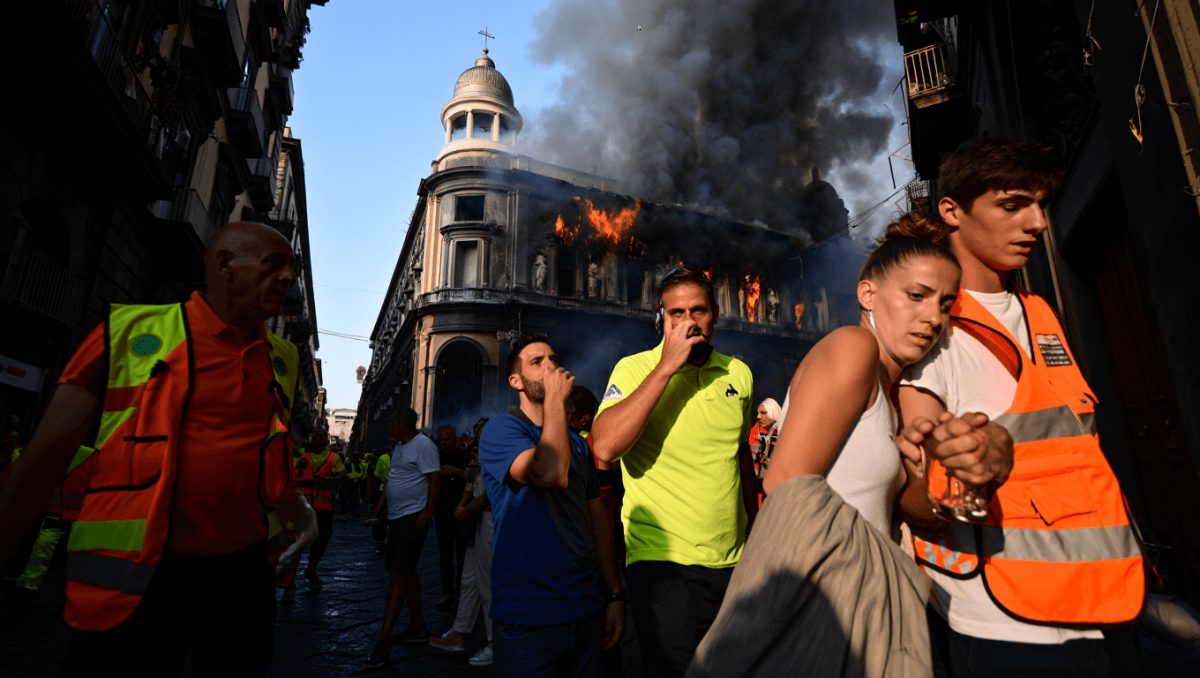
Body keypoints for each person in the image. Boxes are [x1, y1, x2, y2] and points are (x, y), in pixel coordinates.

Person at [0, 222, 317, 674]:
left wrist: (294, 507)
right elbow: (40, 463)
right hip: (138, 573)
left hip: (241, 577)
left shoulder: (283, 356)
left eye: (290, 268)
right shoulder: (128, 332)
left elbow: (266, 447)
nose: (288, 279)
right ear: (225, 265)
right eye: (274, 265)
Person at [897, 139, 1144, 676]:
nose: (1038, 223)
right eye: (1012, 205)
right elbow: (908, 495)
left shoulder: (1039, 312)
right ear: (951, 211)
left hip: (1105, 599)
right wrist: (958, 474)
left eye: (1041, 205)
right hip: (1006, 621)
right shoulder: (930, 329)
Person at [689, 214, 963, 676]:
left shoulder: (893, 396)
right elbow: (786, 482)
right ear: (868, 294)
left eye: (945, 303)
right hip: (822, 606)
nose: (933, 317)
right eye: (916, 296)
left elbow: (893, 507)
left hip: (858, 609)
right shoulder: (853, 346)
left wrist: (945, 473)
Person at [590, 266, 758, 678]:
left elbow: (739, 459)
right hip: (662, 565)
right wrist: (665, 367)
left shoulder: (738, 373)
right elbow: (606, 446)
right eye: (676, 313)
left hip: (733, 564)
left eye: (697, 311)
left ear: (715, 315)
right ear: (661, 319)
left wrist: (758, 531)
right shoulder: (633, 370)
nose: (688, 323)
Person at [480, 335, 624, 678]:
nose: (550, 367)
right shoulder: (502, 429)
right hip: (528, 617)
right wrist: (557, 401)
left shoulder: (578, 444)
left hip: (586, 608)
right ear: (516, 381)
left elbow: (598, 520)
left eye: (553, 360)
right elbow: (548, 473)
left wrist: (616, 593)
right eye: (537, 362)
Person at [365, 407, 441, 669]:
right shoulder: (398, 448)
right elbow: (395, 478)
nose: (388, 426)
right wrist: (379, 509)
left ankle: (383, 640)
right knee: (406, 572)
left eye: (392, 421)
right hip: (397, 518)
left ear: (403, 423)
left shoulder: (424, 445)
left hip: (413, 517)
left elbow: (435, 480)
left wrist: (428, 512)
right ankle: (418, 625)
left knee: (398, 574)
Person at [429, 438, 495, 668]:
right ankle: (459, 631)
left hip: (490, 524)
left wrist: (463, 511)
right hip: (476, 524)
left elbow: (487, 497)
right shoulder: (477, 470)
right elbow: (470, 484)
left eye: (478, 450)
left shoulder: (498, 464)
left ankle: (494, 642)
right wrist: (462, 507)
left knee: (487, 584)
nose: (473, 454)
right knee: (469, 580)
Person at [434, 424, 468, 610]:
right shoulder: (435, 457)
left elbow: (473, 477)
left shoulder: (464, 455)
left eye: (448, 439)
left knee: (463, 555)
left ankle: (463, 592)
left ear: (455, 438)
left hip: (463, 512)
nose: (445, 443)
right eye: (442, 440)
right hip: (442, 512)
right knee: (445, 554)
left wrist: (454, 471)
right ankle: (447, 592)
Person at [748, 397, 781, 479]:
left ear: (774, 413)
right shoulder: (755, 430)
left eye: (763, 413)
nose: (758, 417)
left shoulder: (784, 432)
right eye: (758, 413)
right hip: (756, 479)